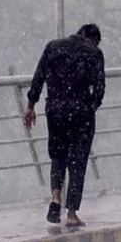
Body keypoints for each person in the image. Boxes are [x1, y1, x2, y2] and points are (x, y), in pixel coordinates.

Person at [24, 24, 105, 227]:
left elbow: (38, 77)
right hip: (81, 111)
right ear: (93, 39)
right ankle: (71, 213)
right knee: (78, 162)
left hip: (55, 109)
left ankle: (56, 198)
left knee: (58, 156)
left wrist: (30, 105)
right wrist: (90, 107)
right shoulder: (94, 52)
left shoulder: (53, 46)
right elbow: (100, 87)